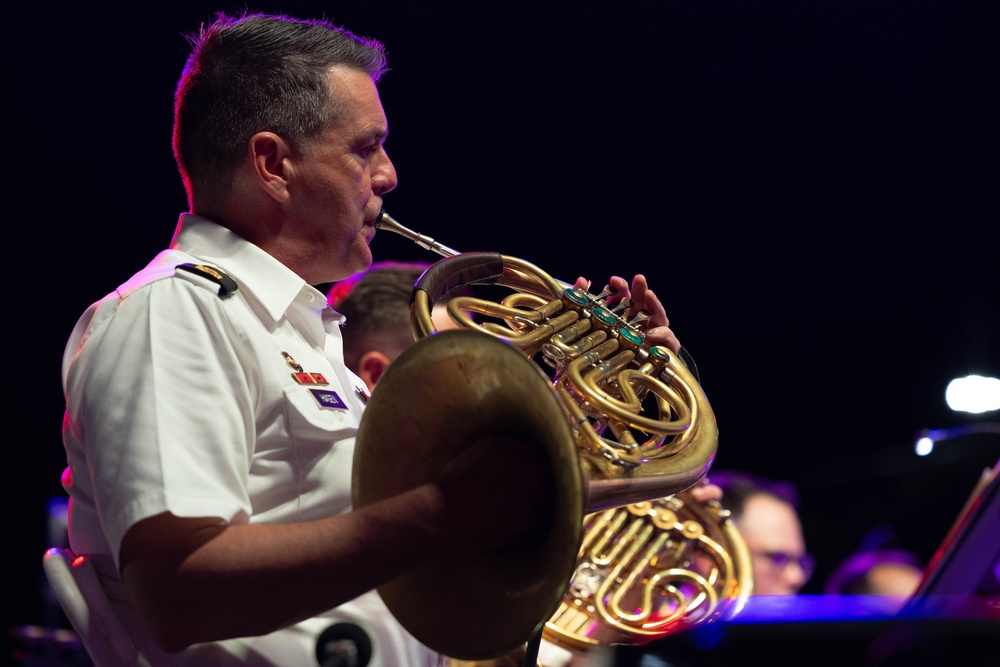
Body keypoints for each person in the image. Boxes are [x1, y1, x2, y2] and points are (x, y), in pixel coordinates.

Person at [57, 11, 684, 667]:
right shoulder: (175, 311)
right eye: (364, 148)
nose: (388, 175)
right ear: (273, 162)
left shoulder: (307, 334)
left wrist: (603, 429)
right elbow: (177, 591)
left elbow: (414, 563)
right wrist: (442, 512)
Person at [711, 471, 813, 596]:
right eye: (778, 559)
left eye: (801, 562)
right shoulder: (680, 615)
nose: (796, 578)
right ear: (715, 553)